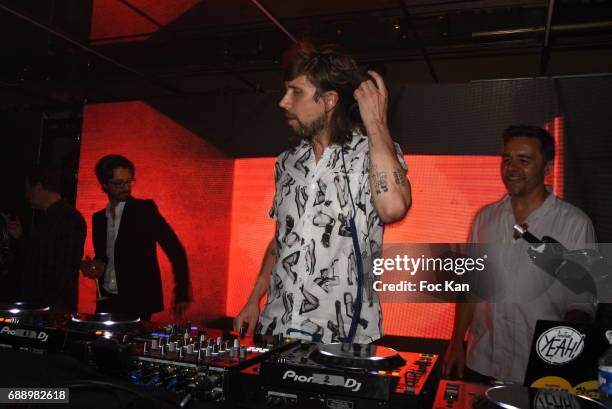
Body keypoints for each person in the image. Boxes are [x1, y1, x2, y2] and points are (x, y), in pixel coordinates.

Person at [233, 43, 412, 343]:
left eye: (296, 92)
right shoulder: (287, 163)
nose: (283, 102)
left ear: (329, 100)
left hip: (341, 338)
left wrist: (376, 124)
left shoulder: (372, 155)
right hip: (276, 326)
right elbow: (282, 239)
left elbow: (393, 208)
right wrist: (254, 299)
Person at [443, 125, 597, 383]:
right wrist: (456, 342)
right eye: (507, 159)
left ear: (547, 169)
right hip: (482, 362)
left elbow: (583, 302)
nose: (511, 168)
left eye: (523, 160)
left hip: (538, 371)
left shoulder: (575, 224)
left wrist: (560, 354)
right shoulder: (485, 218)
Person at [80, 155, 191, 320]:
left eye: (129, 181)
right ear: (104, 185)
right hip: (106, 298)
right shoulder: (98, 218)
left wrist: (182, 293)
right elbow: (105, 255)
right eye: (118, 183)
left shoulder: (144, 210)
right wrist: (95, 265)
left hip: (137, 300)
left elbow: (175, 249)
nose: (125, 187)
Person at [1, 167, 86, 311]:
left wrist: (48, 305)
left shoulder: (66, 218)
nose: (26, 195)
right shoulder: (53, 217)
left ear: (39, 188)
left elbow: (64, 267)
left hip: (51, 306)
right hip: (46, 303)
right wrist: (19, 237)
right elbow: (40, 256)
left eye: (28, 190)